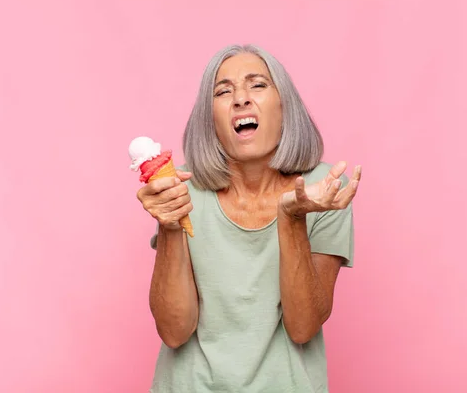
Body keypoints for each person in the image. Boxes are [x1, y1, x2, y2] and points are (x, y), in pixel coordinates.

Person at [136, 44, 362, 393]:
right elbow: (174, 330)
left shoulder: (325, 187)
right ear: (209, 119)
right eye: (223, 91)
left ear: (284, 106)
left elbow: (303, 326)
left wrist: (291, 217)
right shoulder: (180, 186)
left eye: (257, 85)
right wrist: (170, 224)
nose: (240, 98)